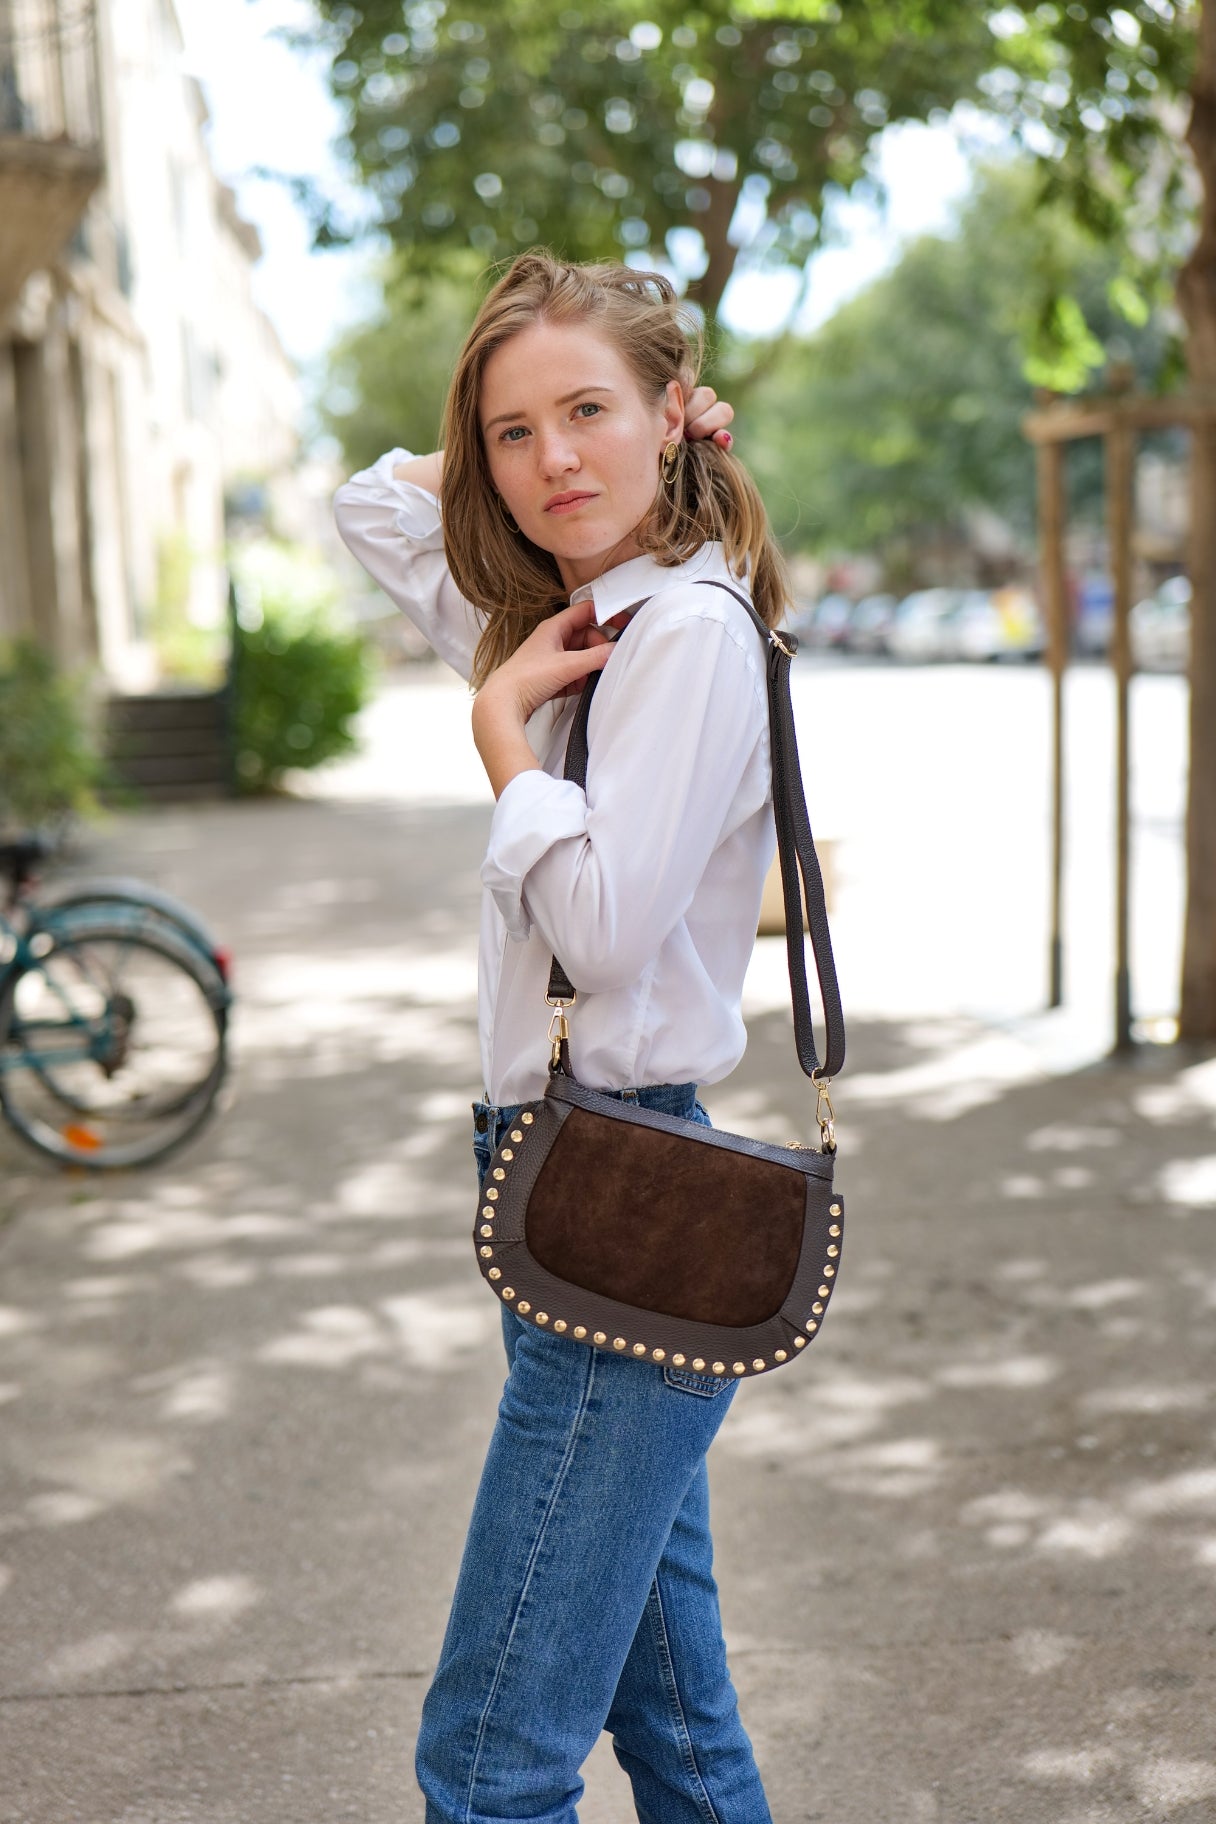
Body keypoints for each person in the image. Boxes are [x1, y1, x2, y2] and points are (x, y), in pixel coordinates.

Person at [333, 251, 791, 1824]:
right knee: (675, 1731)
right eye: (515, 435)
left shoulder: (682, 636)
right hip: (569, 1182)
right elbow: (373, 511)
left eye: (590, 413)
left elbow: (598, 931)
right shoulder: (577, 615)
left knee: (490, 1760)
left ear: (676, 413)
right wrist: (523, 418)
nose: (552, 466)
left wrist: (500, 742)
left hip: (627, 1192)